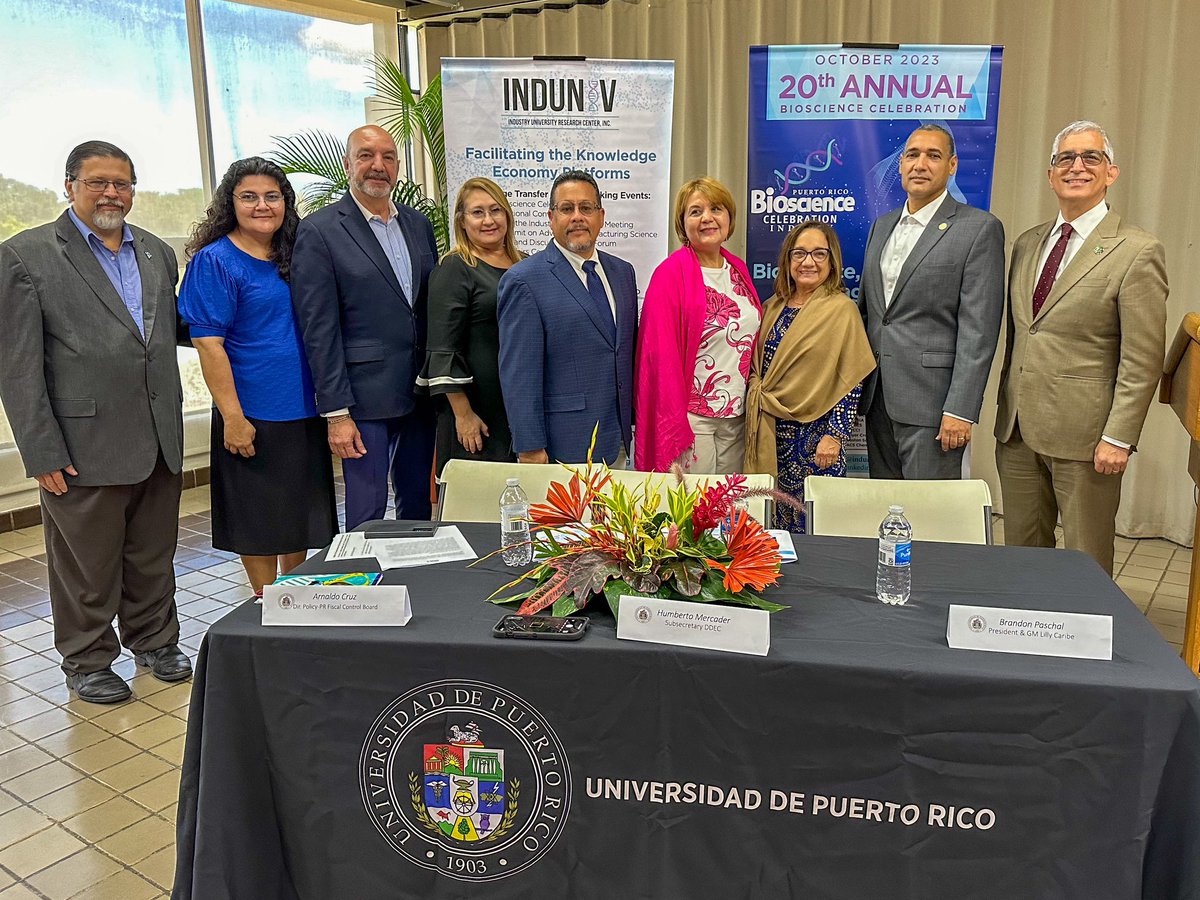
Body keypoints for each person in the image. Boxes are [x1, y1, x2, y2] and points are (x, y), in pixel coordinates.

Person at [0, 141, 191, 703]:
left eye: (123, 183)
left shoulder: (157, 252)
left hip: (158, 435)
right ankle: (87, 658)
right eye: (98, 182)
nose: (112, 193)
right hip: (81, 443)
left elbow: (159, 339)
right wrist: (41, 450)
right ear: (69, 185)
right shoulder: (26, 256)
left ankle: (155, 641)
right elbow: (17, 366)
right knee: (87, 564)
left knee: (153, 553)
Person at [995, 121, 1167, 575]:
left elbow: (1143, 357)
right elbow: (1021, 337)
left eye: (1090, 158)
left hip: (1088, 438)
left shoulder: (1137, 249)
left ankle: (1087, 638)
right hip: (1016, 430)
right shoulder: (1028, 243)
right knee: (1022, 556)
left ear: (1111, 172)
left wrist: (1119, 436)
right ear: (1051, 174)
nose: (1077, 167)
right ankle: (1025, 633)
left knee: (1085, 561)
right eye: (1065, 159)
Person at [178, 158, 338, 595]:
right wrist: (232, 417)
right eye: (249, 196)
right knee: (259, 519)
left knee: (299, 513)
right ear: (231, 204)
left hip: (305, 408)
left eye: (272, 196)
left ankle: (295, 592)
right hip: (252, 413)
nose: (262, 205)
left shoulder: (297, 251)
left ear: (285, 202)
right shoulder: (216, 261)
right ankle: (266, 603)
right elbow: (209, 345)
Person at [291, 125, 438, 529]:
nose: (378, 166)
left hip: (419, 394)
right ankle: (363, 589)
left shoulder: (418, 224)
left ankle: (417, 586)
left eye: (388, 157)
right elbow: (318, 329)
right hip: (362, 400)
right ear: (348, 163)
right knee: (366, 513)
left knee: (418, 510)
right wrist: (336, 414)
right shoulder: (320, 231)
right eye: (366, 156)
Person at [858, 123, 1005, 479]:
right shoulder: (883, 226)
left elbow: (979, 330)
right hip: (878, 399)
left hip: (933, 406)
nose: (920, 164)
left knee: (928, 517)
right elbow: (871, 313)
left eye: (933, 156)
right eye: (912, 155)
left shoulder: (978, 228)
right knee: (887, 512)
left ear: (952, 165)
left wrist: (961, 408)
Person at [497, 170, 638, 465]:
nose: (577, 217)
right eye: (566, 209)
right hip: (563, 445)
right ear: (550, 217)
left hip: (620, 440)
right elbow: (519, 375)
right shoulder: (524, 280)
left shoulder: (623, 273)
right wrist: (530, 446)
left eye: (586, 208)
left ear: (600, 216)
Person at [745, 222, 876, 533]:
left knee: (815, 527)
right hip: (771, 434)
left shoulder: (841, 310)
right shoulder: (773, 307)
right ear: (788, 260)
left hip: (817, 441)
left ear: (832, 262)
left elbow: (851, 380)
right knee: (772, 523)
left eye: (819, 254)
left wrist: (834, 436)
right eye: (800, 253)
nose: (808, 262)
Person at [635, 177, 761, 473]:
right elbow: (658, 357)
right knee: (695, 509)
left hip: (738, 415)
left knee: (730, 507)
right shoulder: (669, 274)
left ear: (729, 217)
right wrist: (673, 421)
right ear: (683, 223)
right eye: (695, 211)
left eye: (716, 208)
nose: (707, 218)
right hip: (692, 419)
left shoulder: (738, 270)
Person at [418, 178, 524, 474]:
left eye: (496, 210)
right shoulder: (454, 268)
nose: (489, 220)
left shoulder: (525, 264)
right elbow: (442, 347)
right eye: (478, 213)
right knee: (476, 505)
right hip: (477, 410)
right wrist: (463, 415)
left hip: (516, 405)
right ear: (462, 222)